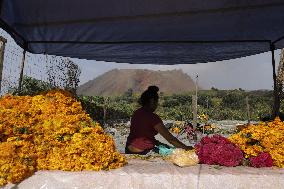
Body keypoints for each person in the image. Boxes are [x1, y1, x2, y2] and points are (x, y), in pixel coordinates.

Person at [125, 86, 193, 155]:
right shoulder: (153, 117)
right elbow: (170, 139)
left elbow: (142, 135)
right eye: (156, 102)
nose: (157, 105)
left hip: (129, 149)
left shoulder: (136, 113)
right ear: (152, 101)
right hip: (143, 151)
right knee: (177, 153)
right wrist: (186, 148)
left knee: (163, 145)